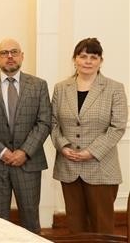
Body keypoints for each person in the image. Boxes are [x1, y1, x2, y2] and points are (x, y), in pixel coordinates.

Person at [51, 37, 128, 234]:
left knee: (102, 227)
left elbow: (117, 127)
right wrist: (63, 146)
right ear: (75, 59)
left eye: (93, 57)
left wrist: (91, 152)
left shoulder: (114, 88)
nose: (87, 61)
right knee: (75, 227)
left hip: (101, 168)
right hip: (68, 166)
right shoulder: (61, 88)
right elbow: (53, 123)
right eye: (83, 56)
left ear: (100, 61)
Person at [0, 38, 51, 232]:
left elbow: (44, 122)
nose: (9, 57)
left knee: (30, 220)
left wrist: (24, 152)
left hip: (29, 162)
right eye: (4, 53)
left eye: (14, 52)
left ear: (22, 56)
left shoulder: (39, 85)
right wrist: (1, 152)